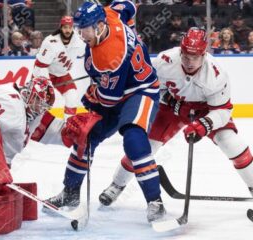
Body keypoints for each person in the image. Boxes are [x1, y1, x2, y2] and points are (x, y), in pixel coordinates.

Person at [99, 27, 253, 209]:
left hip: (206, 110)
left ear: (204, 55)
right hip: (172, 107)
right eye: (186, 55)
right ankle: (117, 185)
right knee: (144, 146)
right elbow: (148, 86)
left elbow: (223, 110)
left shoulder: (216, 74)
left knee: (230, 142)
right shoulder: (165, 61)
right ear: (181, 51)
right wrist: (167, 99)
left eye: (195, 57)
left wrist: (204, 125)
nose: (189, 62)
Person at [44, 1, 165, 223]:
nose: (81, 35)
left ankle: (155, 201)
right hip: (116, 89)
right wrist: (129, 24)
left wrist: (92, 96)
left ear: (99, 26)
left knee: (134, 139)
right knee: (85, 137)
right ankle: (70, 193)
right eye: (79, 28)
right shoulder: (111, 13)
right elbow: (128, 5)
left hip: (140, 91)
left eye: (85, 29)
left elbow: (109, 100)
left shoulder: (107, 56)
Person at [32, 15, 85, 120]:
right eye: (65, 27)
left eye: (69, 27)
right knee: (41, 102)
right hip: (45, 73)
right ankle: (34, 121)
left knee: (72, 97)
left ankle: (68, 124)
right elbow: (40, 65)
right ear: (60, 28)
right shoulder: (50, 42)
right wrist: (46, 83)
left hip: (62, 74)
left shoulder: (78, 41)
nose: (67, 30)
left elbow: (86, 53)